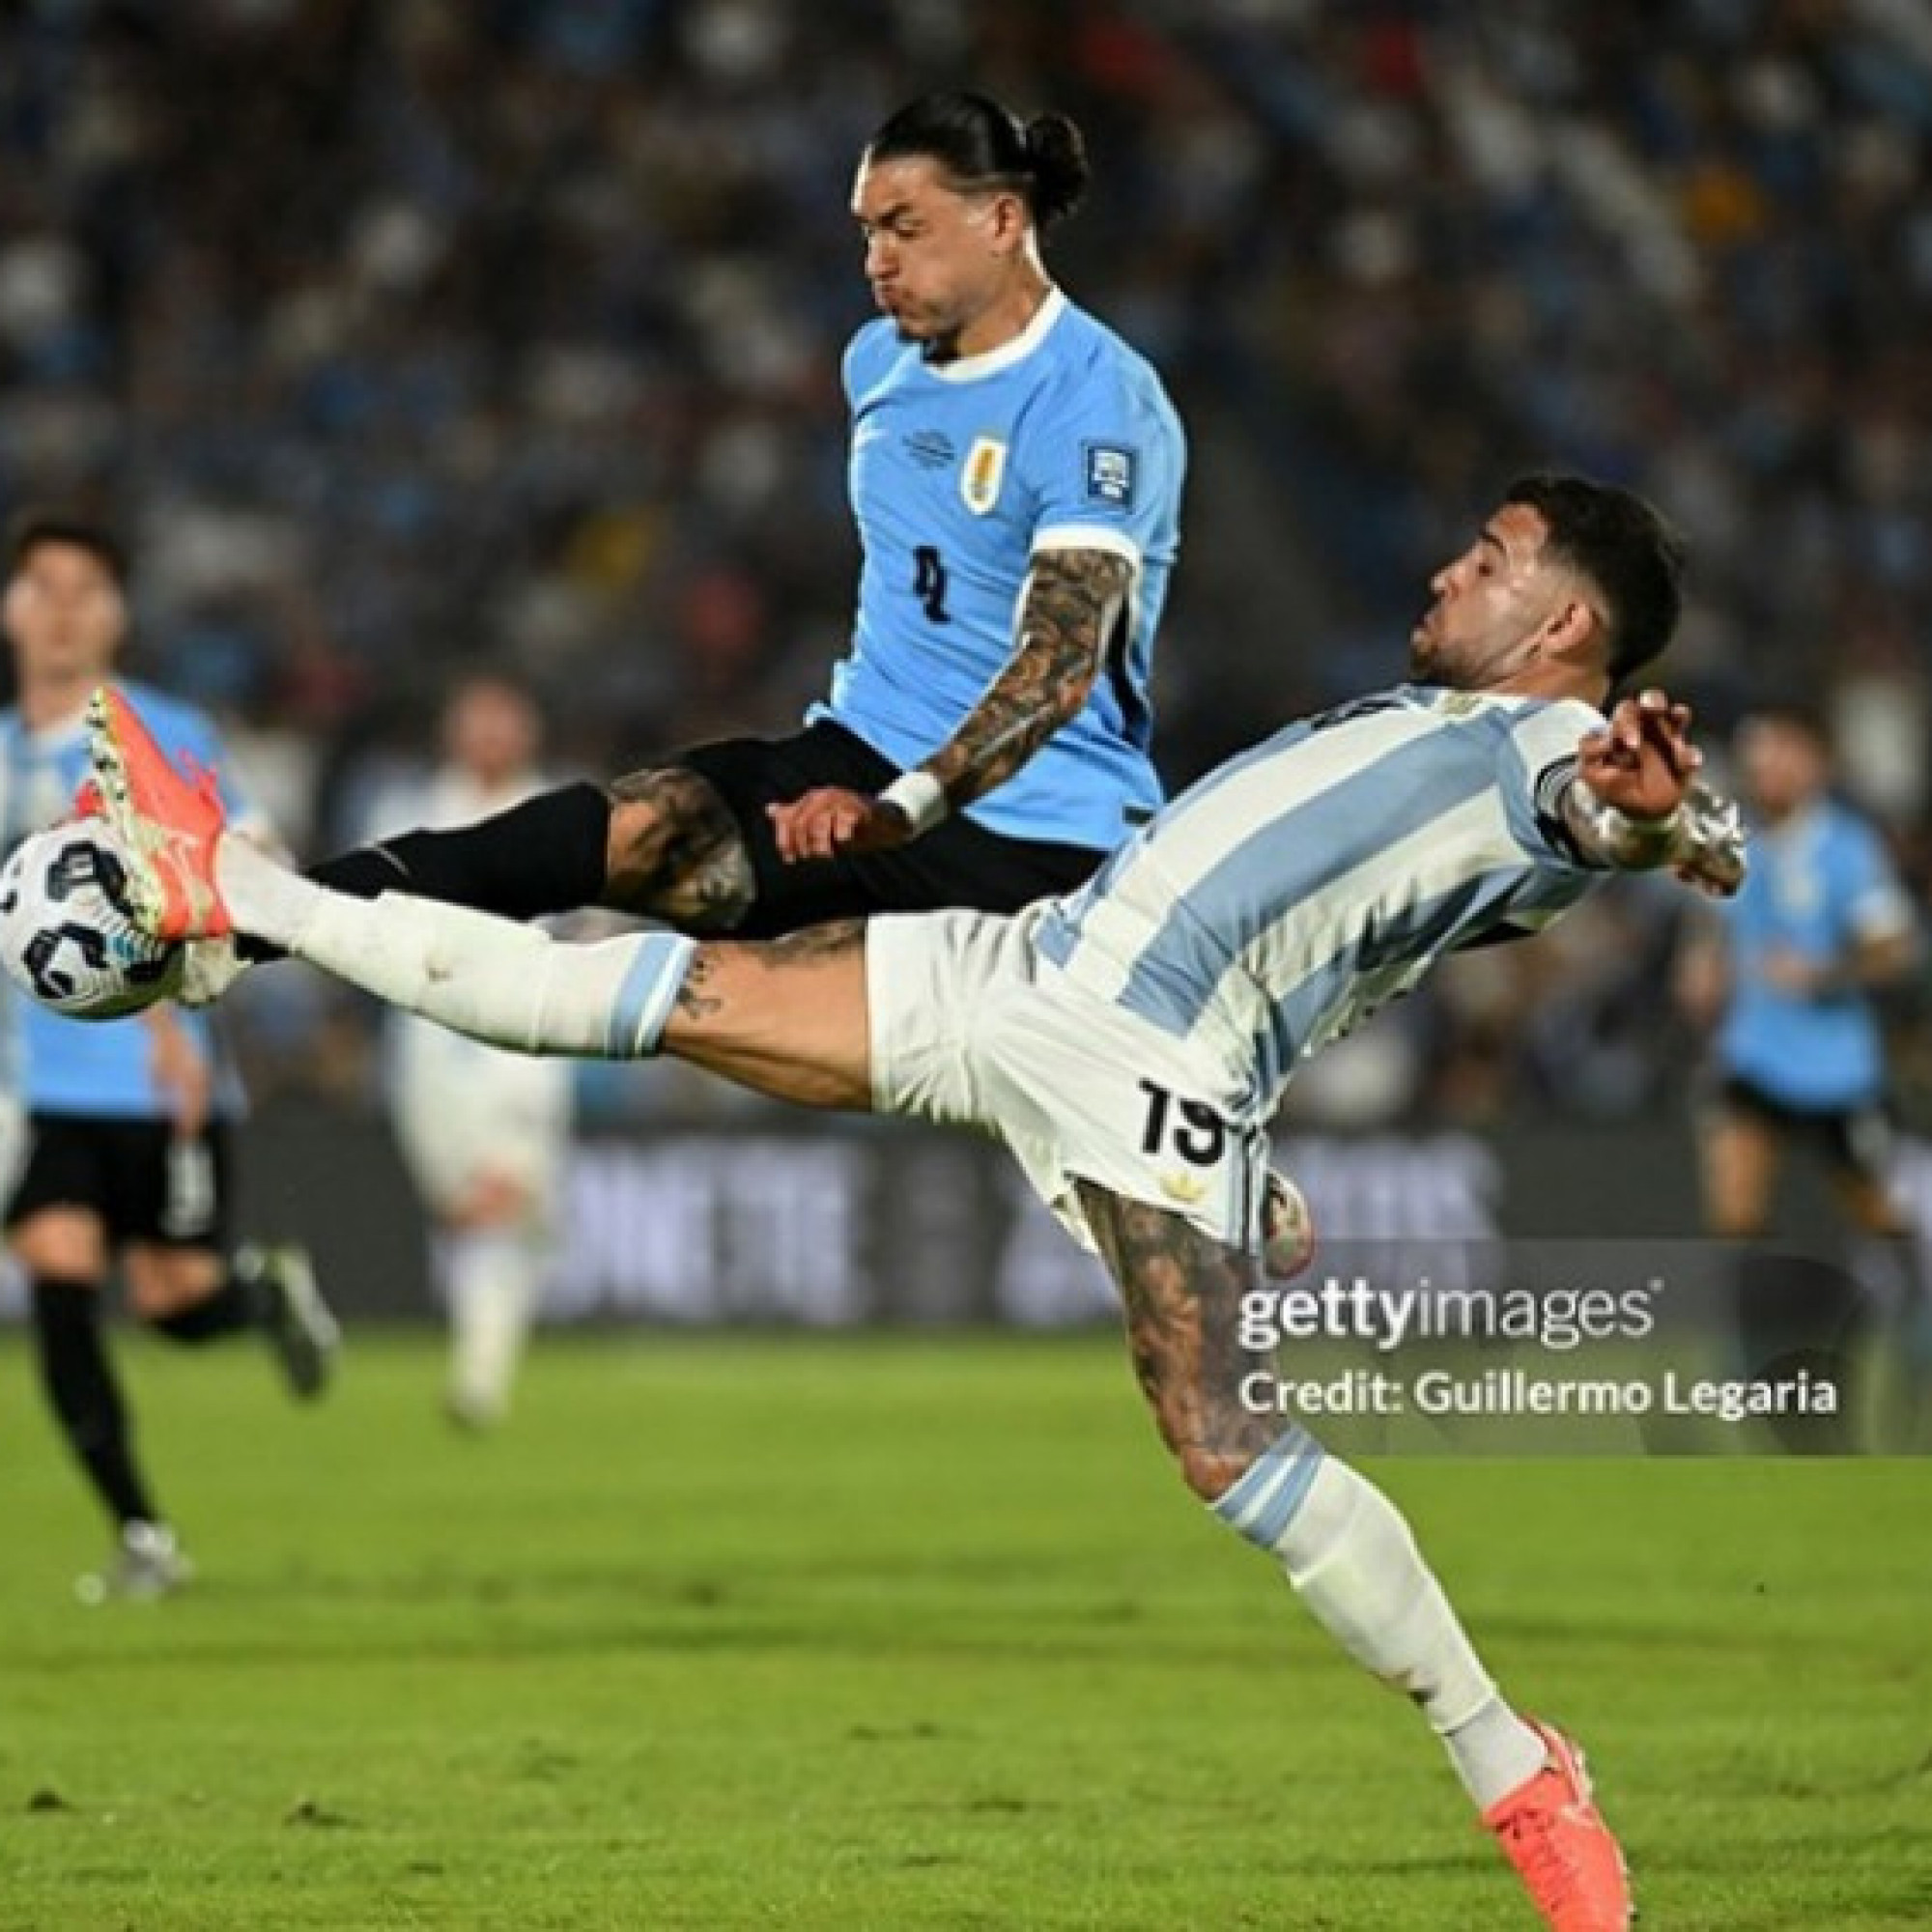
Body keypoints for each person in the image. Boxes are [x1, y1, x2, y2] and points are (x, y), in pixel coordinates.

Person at [91, 472, 1742, 1928]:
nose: (1453, 568)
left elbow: (1614, 818)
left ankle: (1515, 1765)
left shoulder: (1552, 749)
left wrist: (1660, 821)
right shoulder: (1440, 719)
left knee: (1226, 1447)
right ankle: (239, 895)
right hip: (1024, 970)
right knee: (662, 992)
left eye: (1494, 553)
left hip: (1146, 1070)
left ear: (1565, 622)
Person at [260, 91, 1185, 947]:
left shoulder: (1098, 399)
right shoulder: (879, 364)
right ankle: (274, 914)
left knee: (724, 1011)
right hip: (853, 761)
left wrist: (903, 809)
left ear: (1002, 219)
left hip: (1032, 833)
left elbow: (1059, 665)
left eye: (904, 229)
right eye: (867, 234)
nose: (876, 264)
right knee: (635, 830)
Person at [0, 511, 340, 1602]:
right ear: (12, 608)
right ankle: (143, 1532)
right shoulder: (4, 751)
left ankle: (259, 1293)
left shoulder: (156, 729)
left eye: (84, 589)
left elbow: (262, 857)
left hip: (159, 1076)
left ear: (117, 612)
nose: (61, 610)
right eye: (42, 587)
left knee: (172, 1299)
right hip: (39, 1088)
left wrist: (183, 1014)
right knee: (54, 1264)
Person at [1676, 704, 1922, 1440]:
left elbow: (1894, 950)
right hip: (1753, 1059)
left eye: (1778, 751)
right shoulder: (1735, 843)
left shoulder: (1848, 849)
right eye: (1754, 753)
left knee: (1882, 1225)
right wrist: (1702, 971)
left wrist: (1823, 973)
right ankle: (1747, 1379)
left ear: (1814, 761)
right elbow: (1710, 928)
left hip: (1837, 1072)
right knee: (1736, 1218)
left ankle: (1916, 1355)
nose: (1763, 767)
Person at [361, 674, 574, 1429]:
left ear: (528, 734)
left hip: (524, 1044)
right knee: (467, 1211)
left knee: (499, 1202)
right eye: (475, 725)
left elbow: (599, 927)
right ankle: (482, 1354)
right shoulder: (409, 812)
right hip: (426, 1048)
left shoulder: (562, 814)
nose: (488, 740)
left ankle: (479, 1381)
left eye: (502, 725)